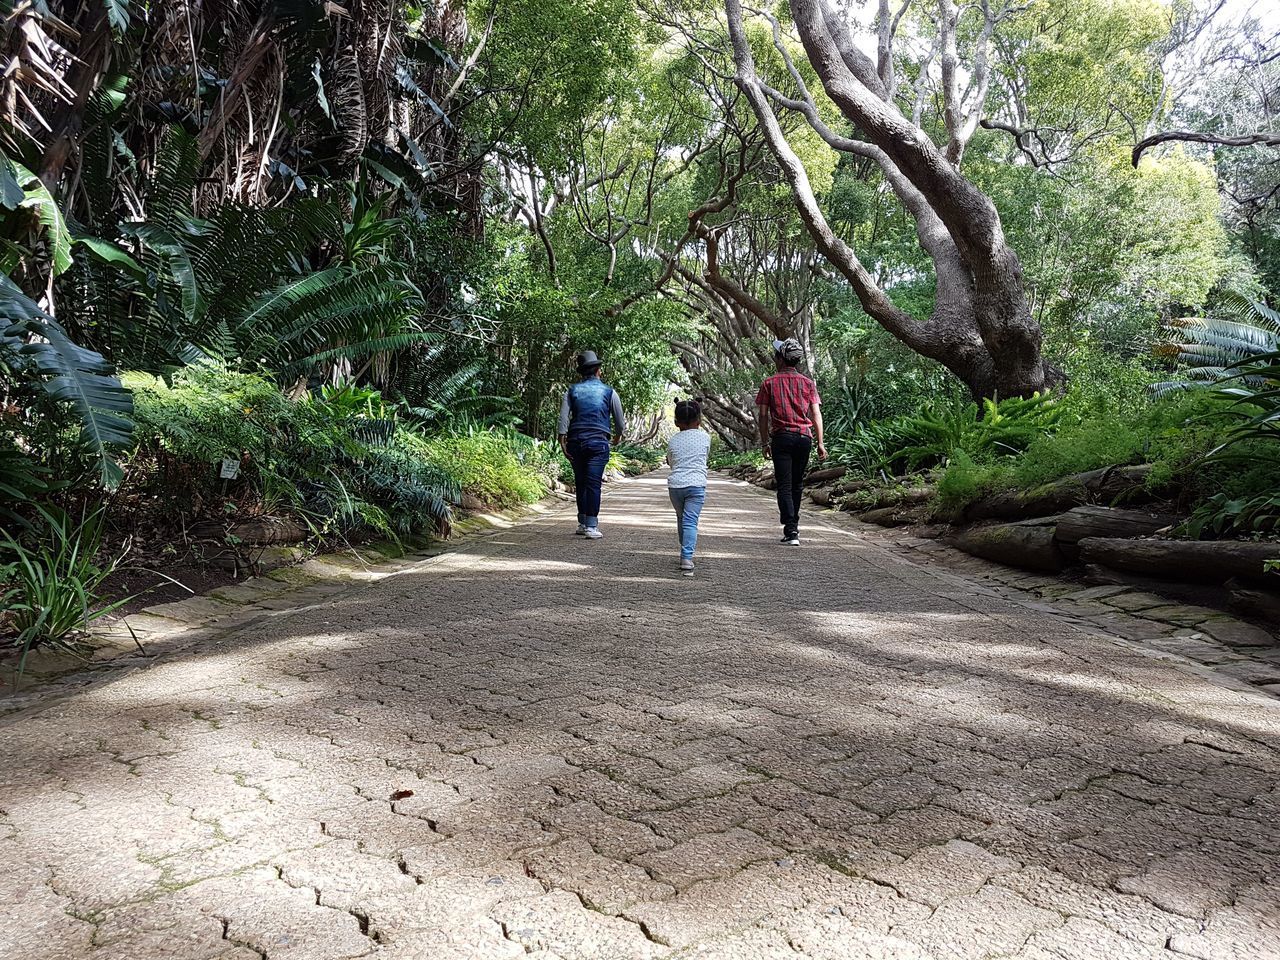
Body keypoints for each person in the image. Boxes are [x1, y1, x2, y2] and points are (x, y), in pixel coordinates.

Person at [755, 337, 826, 545]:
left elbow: (763, 416)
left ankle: (791, 529)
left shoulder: (769, 383)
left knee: (784, 484)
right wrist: (820, 443)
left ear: (780, 358)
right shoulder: (808, 383)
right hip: (804, 437)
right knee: (797, 484)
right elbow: (816, 414)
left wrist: (764, 442)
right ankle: (793, 527)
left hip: (782, 438)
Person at [558, 350, 626, 539]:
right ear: (598, 371)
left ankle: (581, 522)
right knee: (593, 483)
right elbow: (620, 421)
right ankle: (591, 526)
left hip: (575, 441)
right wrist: (618, 437)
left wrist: (562, 439)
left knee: (580, 482)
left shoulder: (572, 391)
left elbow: (563, 417)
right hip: (598, 442)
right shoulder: (609, 392)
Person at [666, 399, 711, 576]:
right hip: (696, 484)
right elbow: (704, 457)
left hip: (676, 485)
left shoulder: (673, 440)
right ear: (698, 420)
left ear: (676, 422)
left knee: (681, 517)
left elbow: (670, 461)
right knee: (690, 521)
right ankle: (686, 557)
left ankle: (684, 547)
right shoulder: (705, 437)